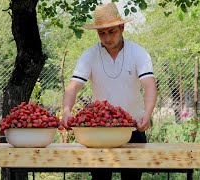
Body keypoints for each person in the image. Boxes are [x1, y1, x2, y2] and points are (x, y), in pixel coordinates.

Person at [62, 3, 157, 180]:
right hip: (99, 132)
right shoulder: (89, 55)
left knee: (132, 179)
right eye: (101, 33)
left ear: (122, 27)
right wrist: (66, 111)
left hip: (133, 128)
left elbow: (149, 84)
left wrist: (148, 112)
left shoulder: (138, 53)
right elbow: (73, 86)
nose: (107, 38)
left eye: (111, 31)